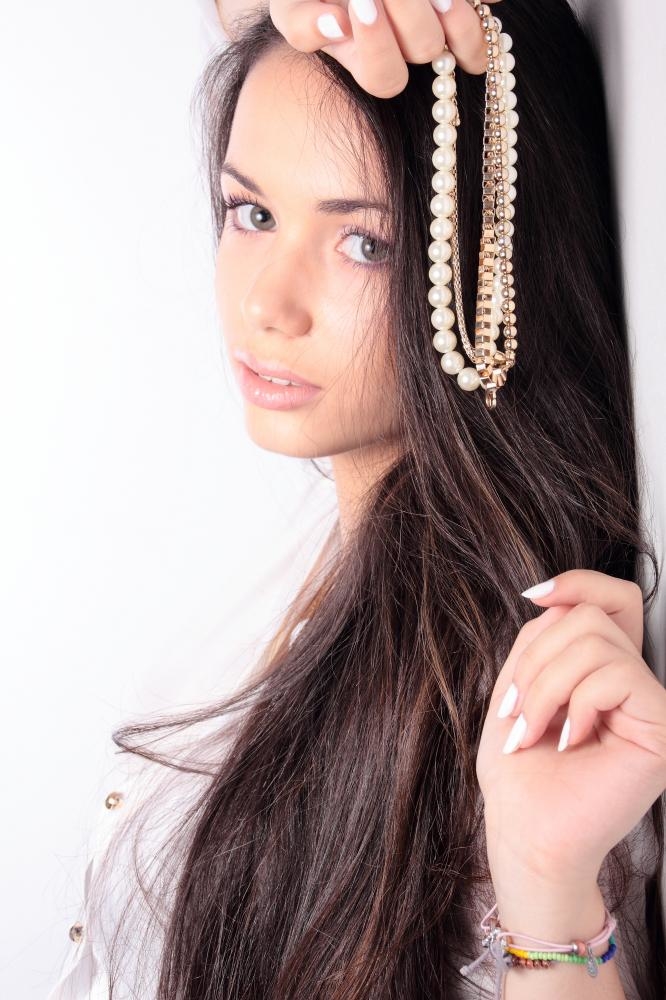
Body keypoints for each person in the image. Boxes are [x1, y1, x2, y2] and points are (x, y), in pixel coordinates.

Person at [48, 1, 666, 998]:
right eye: (252, 213)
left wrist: (549, 897)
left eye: (365, 243)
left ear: (496, 265)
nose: (266, 305)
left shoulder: (516, 706)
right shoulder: (330, 572)